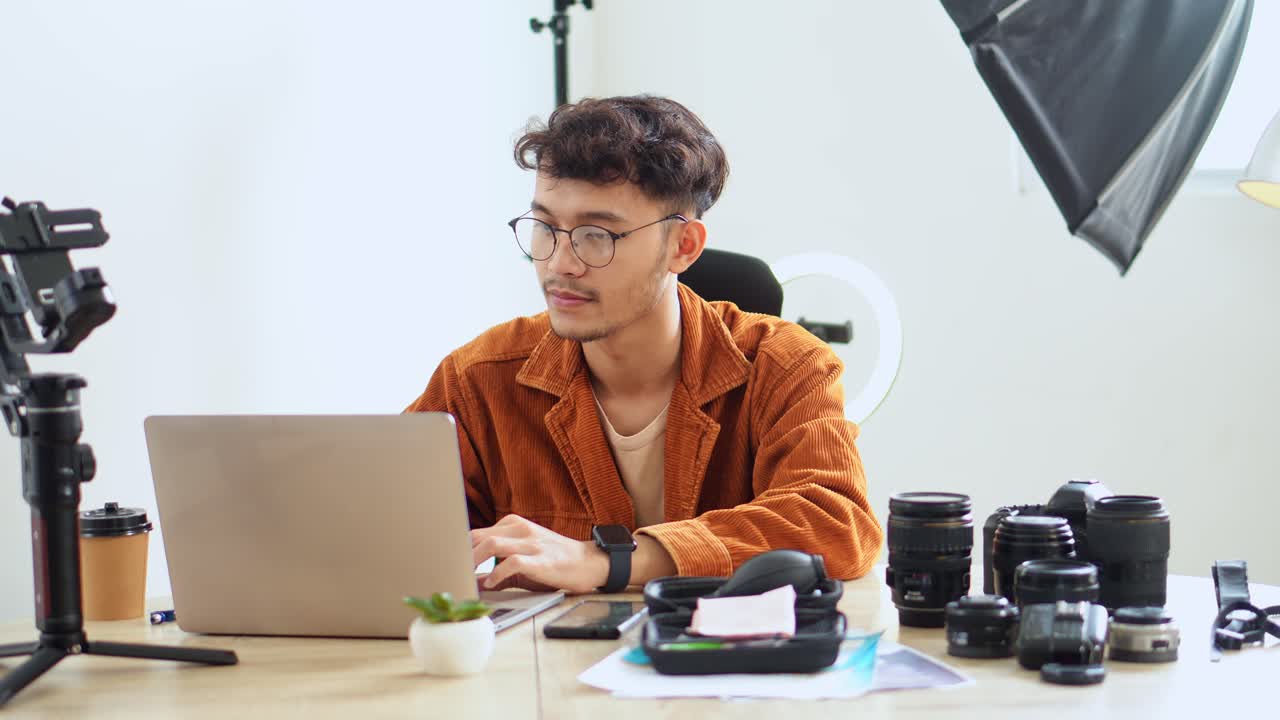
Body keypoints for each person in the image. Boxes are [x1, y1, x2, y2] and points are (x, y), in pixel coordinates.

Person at [406, 95, 882, 594]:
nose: (560, 263)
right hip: (543, 646)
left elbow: (836, 523)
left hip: (720, 645)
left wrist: (610, 561)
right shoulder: (479, 378)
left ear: (683, 246)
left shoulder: (785, 364)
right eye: (546, 228)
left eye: (597, 235)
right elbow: (388, 525)